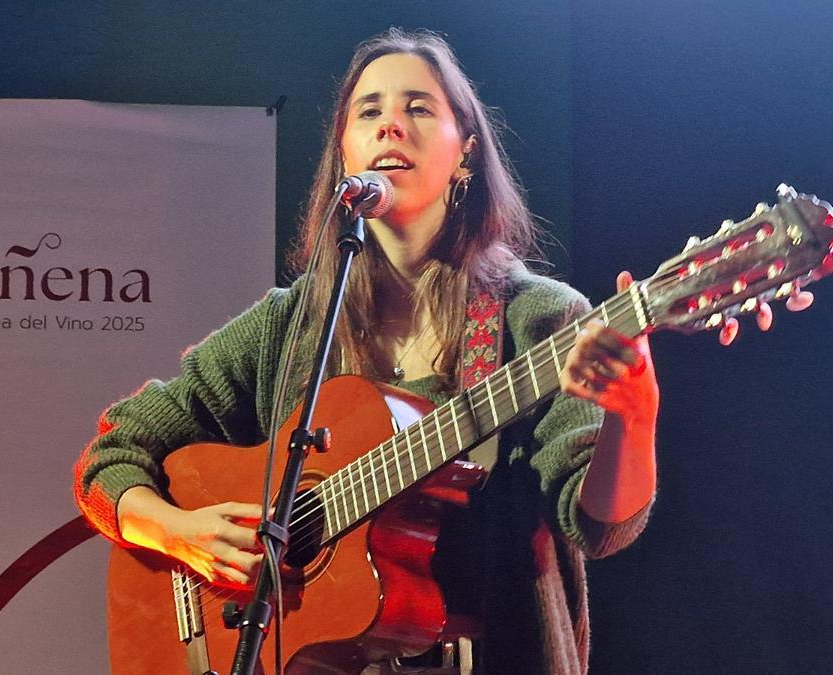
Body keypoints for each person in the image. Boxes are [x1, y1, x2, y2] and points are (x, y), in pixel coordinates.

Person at [74, 28, 659, 675]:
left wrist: (633, 420)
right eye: (369, 112)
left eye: (418, 108)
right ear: (343, 149)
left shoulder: (541, 316)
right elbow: (110, 456)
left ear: (465, 151)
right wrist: (179, 531)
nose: (390, 127)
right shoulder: (289, 325)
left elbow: (601, 527)